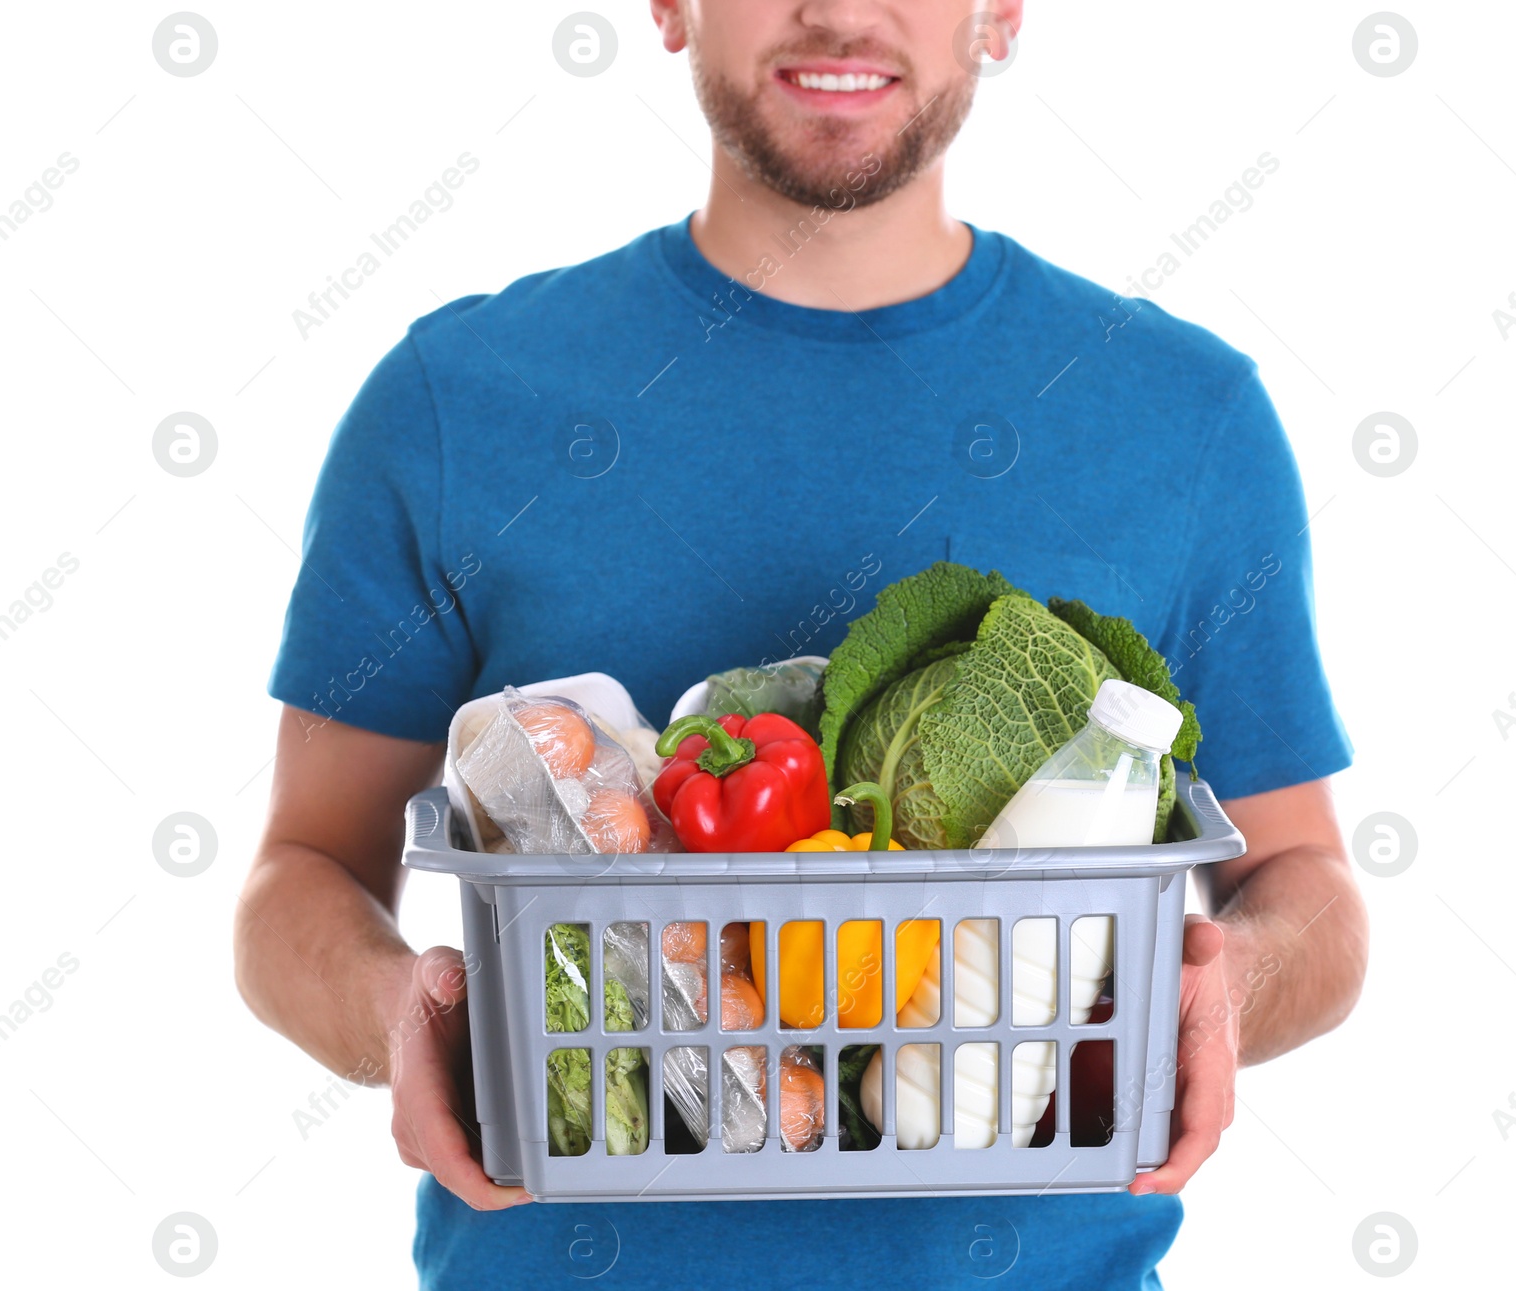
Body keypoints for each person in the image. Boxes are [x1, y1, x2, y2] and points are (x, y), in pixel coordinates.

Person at [234, 2, 1368, 1286]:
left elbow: (1306, 885)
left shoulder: (1181, 415)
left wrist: (1233, 986)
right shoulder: (455, 399)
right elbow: (297, 873)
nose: (839, 10)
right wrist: (403, 1011)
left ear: (1000, 11)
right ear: (668, 6)